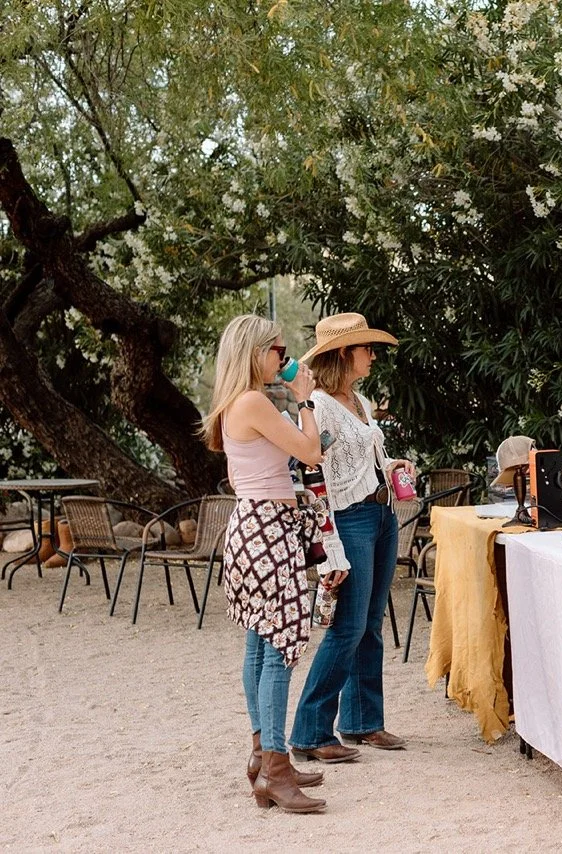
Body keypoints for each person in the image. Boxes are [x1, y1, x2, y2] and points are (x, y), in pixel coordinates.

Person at [201, 314, 327, 814]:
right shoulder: (254, 401)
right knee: (278, 648)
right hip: (268, 529)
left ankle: (264, 757)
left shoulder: (238, 403)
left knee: (259, 645)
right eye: (278, 350)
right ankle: (274, 767)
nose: (285, 357)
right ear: (256, 354)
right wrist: (305, 397)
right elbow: (311, 451)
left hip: (252, 527)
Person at [290, 312, 414, 762]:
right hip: (351, 519)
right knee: (349, 627)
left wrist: (390, 466)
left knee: (371, 623)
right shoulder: (320, 405)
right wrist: (330, 546)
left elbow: (357, 460)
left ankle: (362, 721)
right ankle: (310, 730)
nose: (373, 356)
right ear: (345, 353)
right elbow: (314, 475)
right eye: (367, 348)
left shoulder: (357, 400)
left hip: (380, 514)